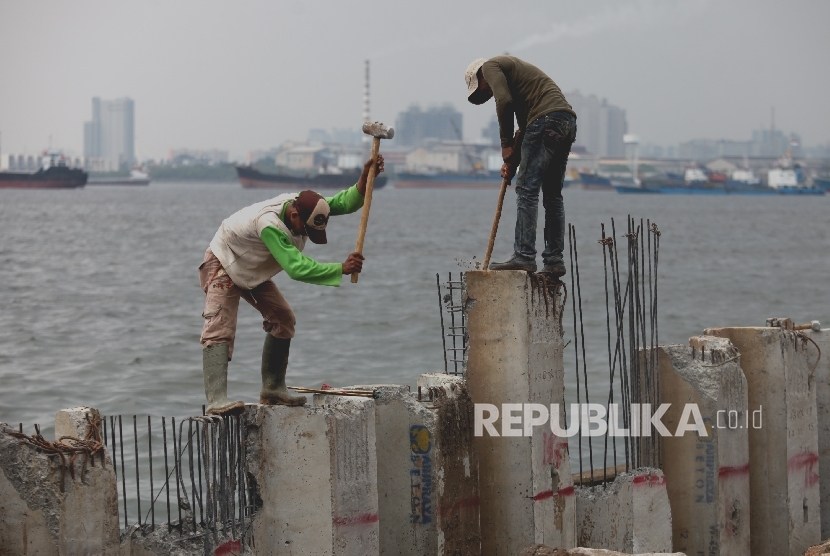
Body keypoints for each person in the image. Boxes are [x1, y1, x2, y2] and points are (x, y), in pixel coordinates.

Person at [198, 155, 384, 415]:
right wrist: (340, 269)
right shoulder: (269, 224)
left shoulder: (310, 203)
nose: (305, 235)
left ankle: (272, 388)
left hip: (252, 267)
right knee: (219, 326)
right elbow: (296, 267)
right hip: (224, 261)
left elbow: (344, 202)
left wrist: (366, 178)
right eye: (304, 229)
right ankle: (216, 400)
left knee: (283, 319)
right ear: (294, 214)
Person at [465, 56, 577, 276]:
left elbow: (503, 102)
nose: (488, 93)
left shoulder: (490, 66)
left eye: (484, 89)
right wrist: (512, 162)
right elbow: (525, 131)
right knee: (553, 195)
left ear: (481, 76)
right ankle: (554, 260)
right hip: (565, 121)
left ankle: (524, 255)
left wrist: (505, 145)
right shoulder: (525, 90)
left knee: (527, 190)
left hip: (546, 120)